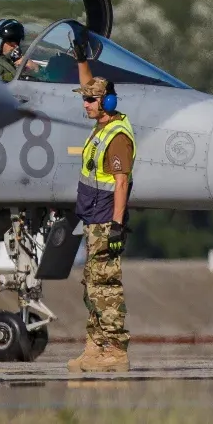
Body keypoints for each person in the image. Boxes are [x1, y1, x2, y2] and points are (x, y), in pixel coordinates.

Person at [65, 28, 134, 373]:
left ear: (106, 103)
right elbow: (90, 82)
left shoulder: (118, 137)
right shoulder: (102, 127)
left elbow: (121, 183)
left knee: (106, 286)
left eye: (91, 100)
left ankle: (115, 350)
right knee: (91, 285)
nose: (86, 104)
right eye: (84, 99)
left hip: (107, 220)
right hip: (94, 219)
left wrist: (118, 225)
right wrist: (81, 61)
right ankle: (95, 346)